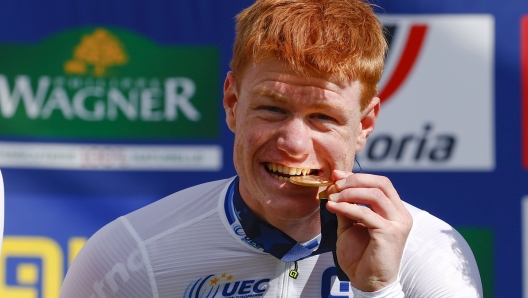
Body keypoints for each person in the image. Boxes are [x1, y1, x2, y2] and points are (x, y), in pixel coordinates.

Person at [59, 0, 483, 297]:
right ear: (231, 103)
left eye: (323, 117)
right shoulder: (130, 256)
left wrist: (378, 291)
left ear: (364, 125)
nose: (294, 144)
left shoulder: (427, 253)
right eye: (272, 109)